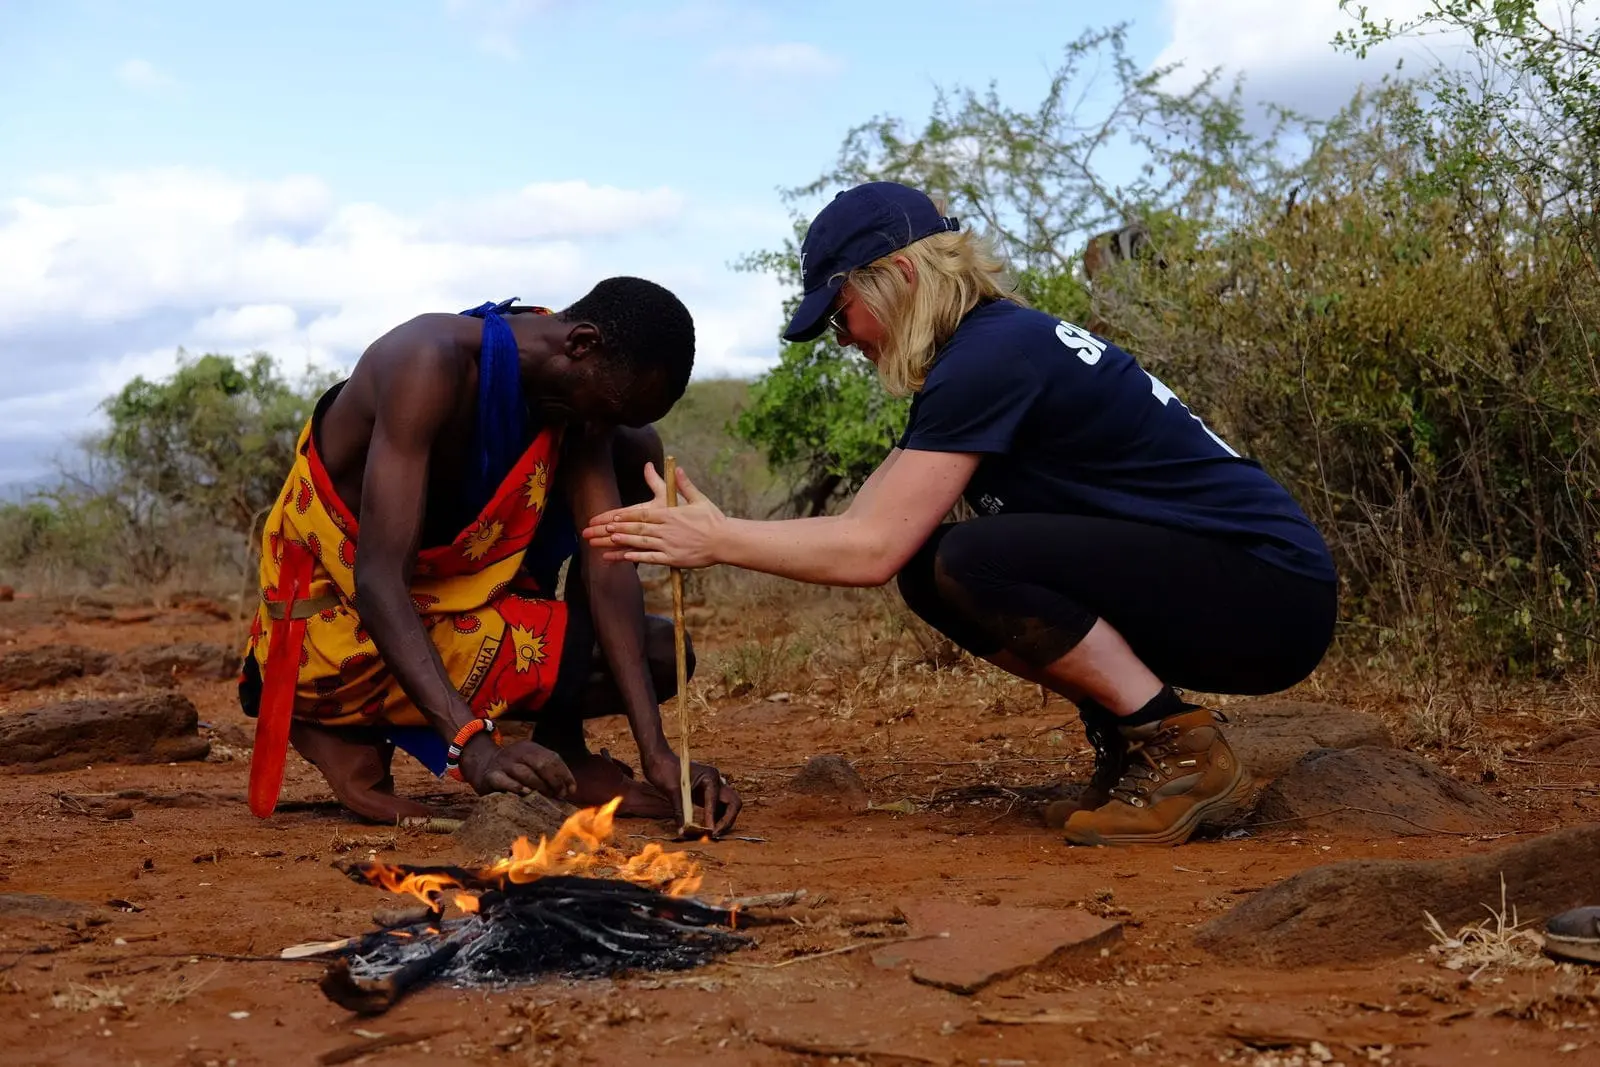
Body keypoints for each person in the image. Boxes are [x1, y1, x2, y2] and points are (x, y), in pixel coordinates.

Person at [583, 183, 1338, 848]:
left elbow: (868, 549)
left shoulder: (990, 356)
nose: (844, 340)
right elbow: (870, 525)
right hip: (1242, 587)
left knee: (973, 558)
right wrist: (720, 532)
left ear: (900, 275)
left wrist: (720, 540)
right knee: (931, 569)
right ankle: (1137, 737)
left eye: (842, 313)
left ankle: (1181, 751)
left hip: (1269, 591)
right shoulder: (984, 351)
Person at [239, 280, 741, 835]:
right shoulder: (426, 363)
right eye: (608, 409)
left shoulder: (580, 400)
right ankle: (335, 727)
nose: (599, 428)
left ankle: (562, 746)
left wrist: (659, 755)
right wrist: (470, 746)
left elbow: (607, 563)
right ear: (580, 344)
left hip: (452, 617)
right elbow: (378, 581)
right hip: (337, 633)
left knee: (658, 651)